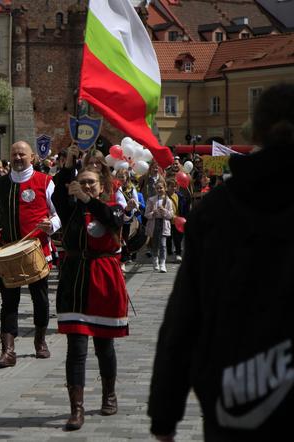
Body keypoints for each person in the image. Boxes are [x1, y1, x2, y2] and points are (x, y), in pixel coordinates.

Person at [149, 83, 294, 441]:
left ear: (255, 133)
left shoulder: (217, 209)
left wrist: (164, 416)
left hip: (239, 395)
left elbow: (184, 317)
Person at [52, 166, 129, 431]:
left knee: (104, 346)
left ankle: (109, 394)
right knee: (76, 349)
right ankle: (77, 409)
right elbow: (56, 194)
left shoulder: (113, 207)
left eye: (91, 183)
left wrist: (88, 200)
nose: (86, 187)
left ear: (102, 185)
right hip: (74, 281)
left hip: (103, 282)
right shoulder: (71, 210)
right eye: (82, 183)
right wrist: (68, 165)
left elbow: (113, 219)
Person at [0, 141, 61, 368]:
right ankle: (8, 351)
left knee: (41, 300)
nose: (17, 158)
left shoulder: (45, 182)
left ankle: (40, 340)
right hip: (7, 252)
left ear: (32, 157)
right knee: (9, 302)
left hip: (36, 251)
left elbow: (59, 212)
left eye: (22, 154)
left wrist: (52, 224)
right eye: (14, 154)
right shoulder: (1, 184)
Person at [145, 178, 174, 273]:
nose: (159, 190)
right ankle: (155, 259)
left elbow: (170, 215)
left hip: (164, 224)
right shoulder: (151, 200)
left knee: (163, 244)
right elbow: (146, 214)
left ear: (165, 188)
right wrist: (153, 213)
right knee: (155, 244)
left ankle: (162, 263)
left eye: (161, 188)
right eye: (157, 188)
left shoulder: (168, 201)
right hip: (154, 224)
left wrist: (164, 211)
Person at [165, 178, 186, 263]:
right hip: (167, 221)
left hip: (178, 221)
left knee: (178, 238)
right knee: (168, 238)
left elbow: (183, 208)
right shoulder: (164, 196)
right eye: (171, 186)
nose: (173, 188)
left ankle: (178, 254)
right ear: (167, 187)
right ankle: (169, 253)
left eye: (175, 186)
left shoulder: (179, 196)